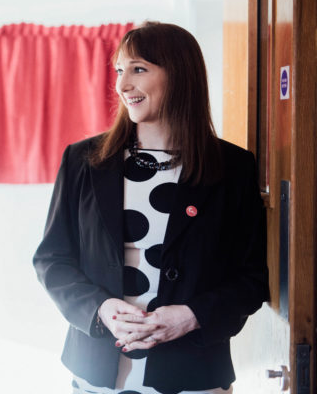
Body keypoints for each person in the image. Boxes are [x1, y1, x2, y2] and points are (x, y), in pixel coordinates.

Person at [33, 21, 268, 394]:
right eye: (119, 71)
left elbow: (252, 280)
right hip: (97, 374)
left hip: (194, 375)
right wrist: (101, 310)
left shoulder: (233, 167)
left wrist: (191, 317)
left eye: (139, 69)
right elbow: (52, 260)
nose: (122, 85)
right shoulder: (84, 160)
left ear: (180, 76)